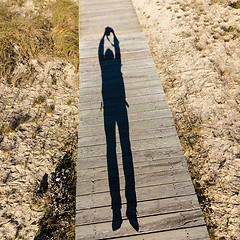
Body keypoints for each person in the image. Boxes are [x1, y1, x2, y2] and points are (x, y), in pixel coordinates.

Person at [98, 27, 139, 231]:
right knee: (123, 151)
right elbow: (117, 53)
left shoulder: (106, 68)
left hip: (111, 109)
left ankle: (124, 212)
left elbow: (101, 53)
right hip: (119, 108)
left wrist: (103, 39)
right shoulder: (114, 67)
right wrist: (112, 40)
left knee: (113, 152)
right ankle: (126, 212)